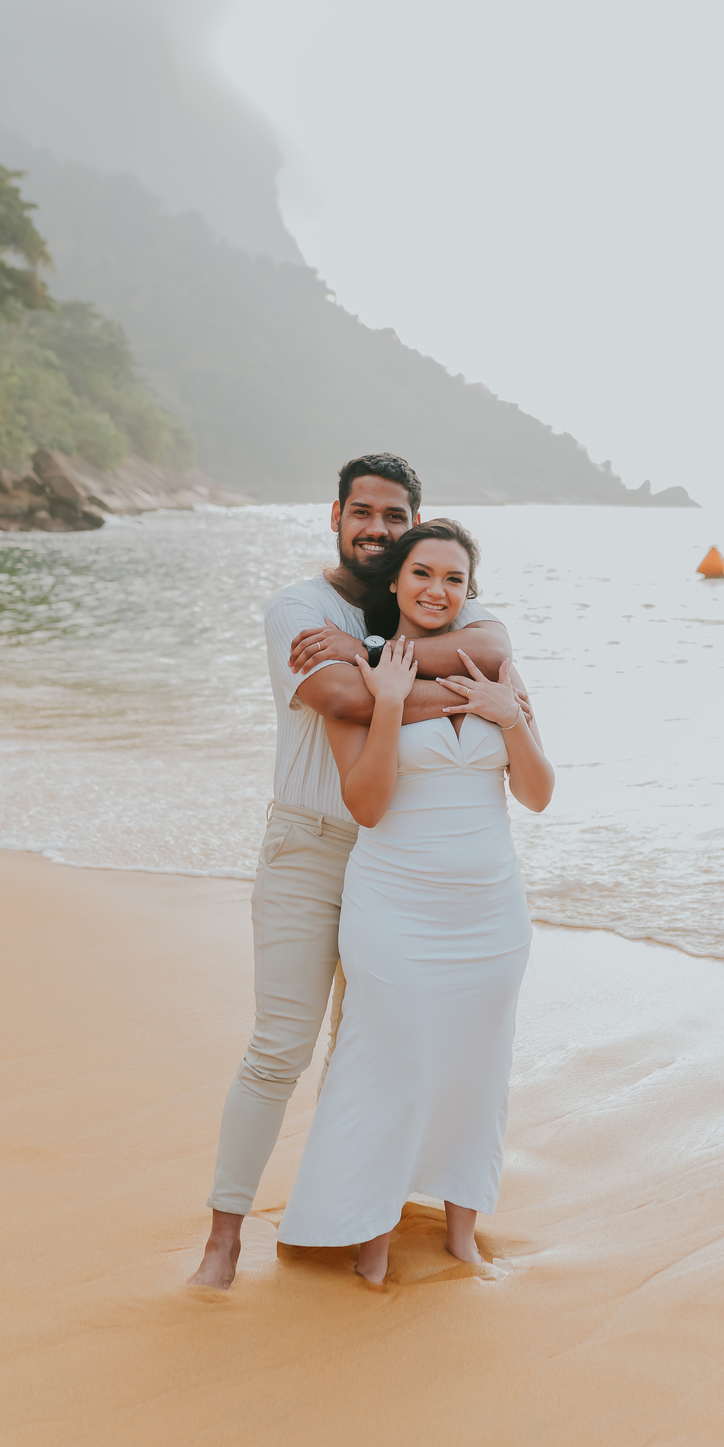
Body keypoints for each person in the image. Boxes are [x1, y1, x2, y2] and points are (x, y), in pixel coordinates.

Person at [190, 454, 517, 1289]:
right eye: (362, 511)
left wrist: (379, 652)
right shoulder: (299, 607)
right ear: (335, 514)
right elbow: (339, 697)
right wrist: (427, 684)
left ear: (416, 523)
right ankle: (223, 1238)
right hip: (311, 845)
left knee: (371, 1052)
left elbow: (495, 646)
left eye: (394, 515)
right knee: (279, 1047)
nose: (377, 527)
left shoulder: (427, 597)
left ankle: (339, 1216)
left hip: (402, 861)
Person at [277, 519, 555, 1282]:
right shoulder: (357, 684)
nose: (438, 590)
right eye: (423, 574)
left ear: (470, 591)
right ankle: (369, 1233)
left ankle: (463, 1232)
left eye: (454, 579)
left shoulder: (498, 670)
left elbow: (536, 793)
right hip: (394, 907)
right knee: (390, 1064)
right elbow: (365, 805)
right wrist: (390, 702)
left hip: (492, 911)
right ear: (395, 583)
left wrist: (510, 719)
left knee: (477, 1064)